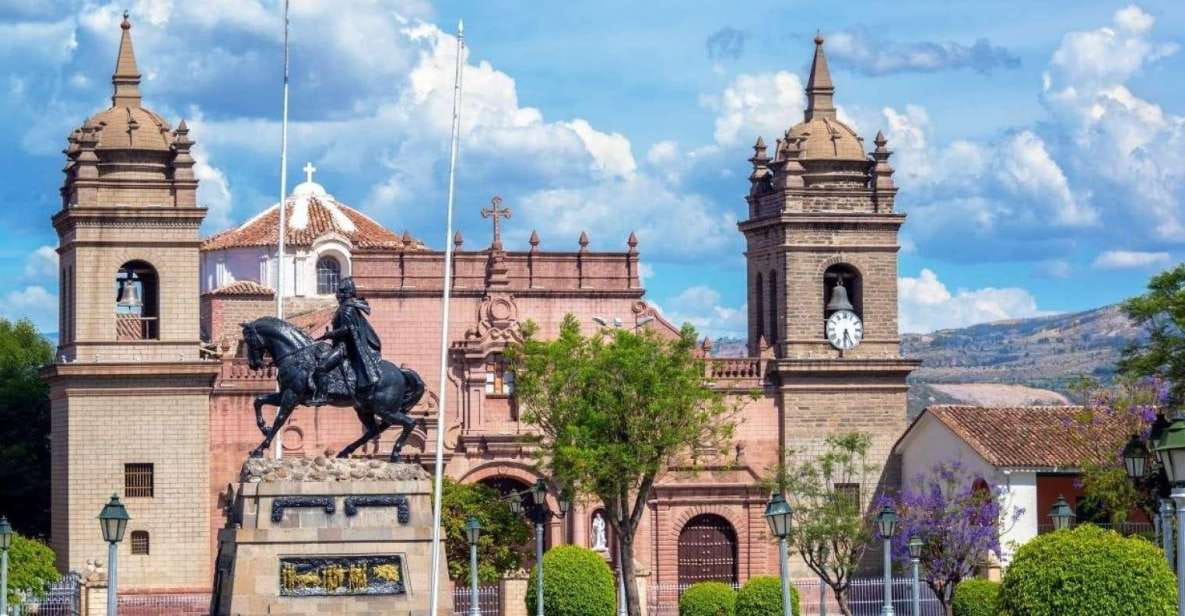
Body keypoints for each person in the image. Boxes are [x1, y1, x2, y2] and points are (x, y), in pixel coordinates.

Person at [308, 277, 383, 404]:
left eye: (340, 292)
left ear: (344, 293)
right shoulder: (345, 307)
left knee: (321, 368)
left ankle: (322, 396)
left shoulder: (347, 308)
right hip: (339, 345)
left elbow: (347, 329)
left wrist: (331, 334)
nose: (337, 295)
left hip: (343, 348)